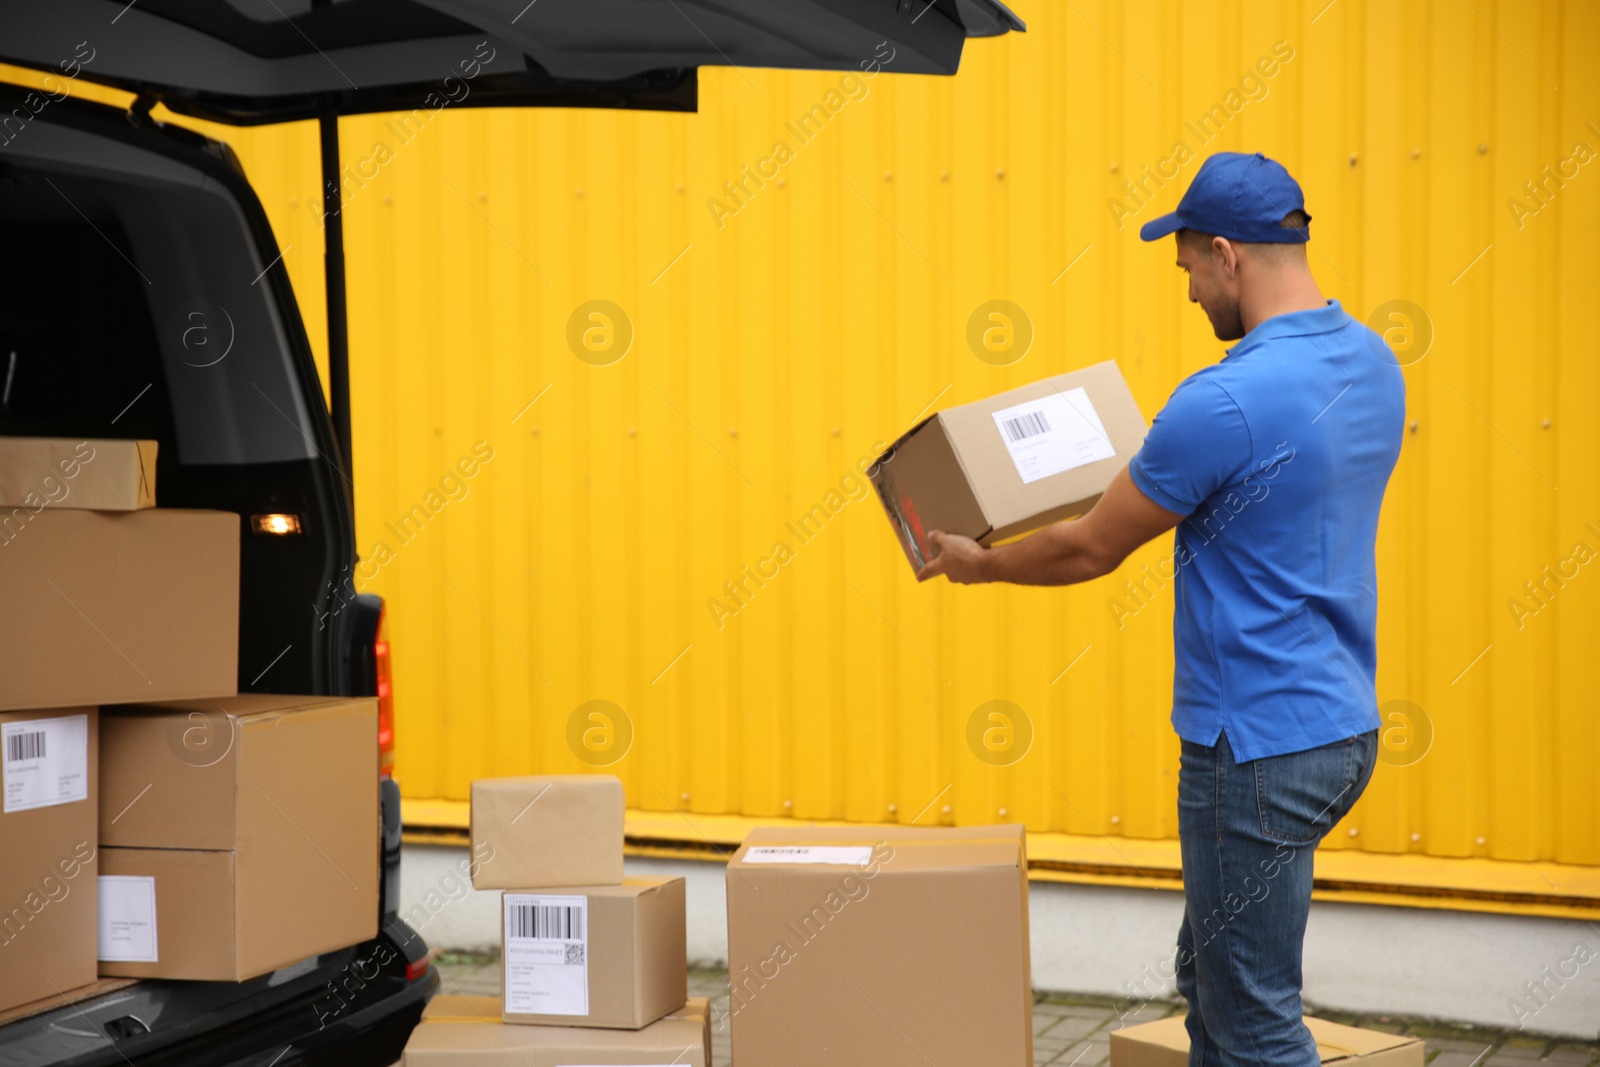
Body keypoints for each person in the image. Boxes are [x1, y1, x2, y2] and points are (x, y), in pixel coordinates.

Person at [916, 151, 1406, 1066]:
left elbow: (1090, 545)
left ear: (1227, 254)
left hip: (1251, 746)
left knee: (1255, 1019)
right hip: (1340, 725)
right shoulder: (1373, 361)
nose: (1187, 292)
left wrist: (979, 564)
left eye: (1186, 265)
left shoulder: (1223, 397)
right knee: (1212, 977)